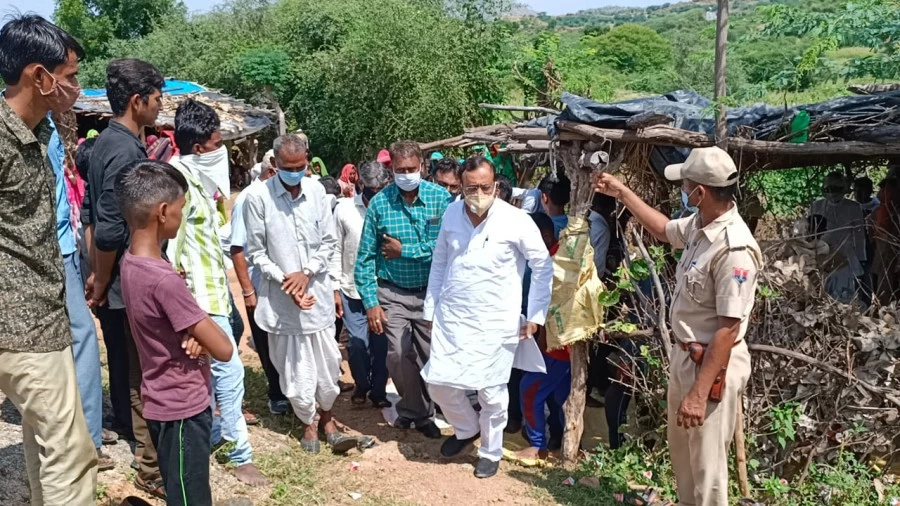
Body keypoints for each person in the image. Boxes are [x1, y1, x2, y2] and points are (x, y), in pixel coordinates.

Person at [596, 146, 759, 506]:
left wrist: (700, 394)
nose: (682, 189)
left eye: (686, 184)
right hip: (687, 356)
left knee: (708, 469)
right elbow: (664, 229)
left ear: (700, 192)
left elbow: (728, 330)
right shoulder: (701, 227)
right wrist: (622, 192)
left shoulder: (733, 249)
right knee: (685, 462)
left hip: (711, 367)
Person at [0, 14, 98, 504]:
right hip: (22, 326)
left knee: (49, 445)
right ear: (40, 77)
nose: (77, 88)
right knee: (69, 453)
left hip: (41, 315)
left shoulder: (36, 134)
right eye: (71, 75)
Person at [423, 156, 552, 479]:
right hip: (452, 316)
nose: (478, 193)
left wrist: (536, 314)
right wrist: (431, 306)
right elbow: (440, 261)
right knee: (438, 382)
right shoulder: (452, 213)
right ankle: (466, 428)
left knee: (491, 392)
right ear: (461, 186)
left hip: (497, 320)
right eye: (471, 188)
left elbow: (542, 266)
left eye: (485, 187)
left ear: (495, 185)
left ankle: (490, 451)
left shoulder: (517, 220)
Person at [118, 160, 235, 506]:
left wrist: (196, 332)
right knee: (190, 497)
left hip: (160, 399)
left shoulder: (131, 263)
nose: (182, 217)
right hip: (183, 407)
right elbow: (225, 348)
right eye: (182, 209)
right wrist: (203, 332)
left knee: (180, 488)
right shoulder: (165, 280)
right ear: (163, 212)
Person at [167, 98, 267, 487]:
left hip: (215, 291)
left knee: (216, 369)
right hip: (199, 297)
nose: (221, 150)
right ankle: (239, 452)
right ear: (197, 149)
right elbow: (172, 247)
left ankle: (212, 436)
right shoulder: (178, 183)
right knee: (229, 370)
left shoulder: (198, 180)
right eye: (215, 143)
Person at [245, 134, 358, 454]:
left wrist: (305, 274)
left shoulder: (319, 192)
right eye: (287, 167)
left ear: (307, 160)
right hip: (281, 301)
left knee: (326, 363)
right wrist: (286, 281)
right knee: (293, 367)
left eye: (300, 166)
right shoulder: (258, 198)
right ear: (275, 165)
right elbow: (257, 252)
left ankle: (328, 418)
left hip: (316, 296)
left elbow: (328, 243)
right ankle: (307, 424)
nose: (294, 172)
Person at [86, 57, 166, 498]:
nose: (160, 106)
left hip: (112, 277)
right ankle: (150, 466)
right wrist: (101, 277)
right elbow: (113, 225)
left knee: (125, 363)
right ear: (138, 101)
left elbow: (90, 217)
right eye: (156, 99)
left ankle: (138, 443)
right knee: (142, 374)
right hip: (125, 279)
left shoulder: (104, 144)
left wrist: (94, 272)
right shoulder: (124, 151)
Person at [355, 141, 450, 439]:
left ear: (422, 166)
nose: (407, 174)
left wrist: (405, 250)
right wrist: (371, 302)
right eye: (400, 170)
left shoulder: (441, 200)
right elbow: (365, 258)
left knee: (429, 354)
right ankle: (417, 413)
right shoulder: (380, 204)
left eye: (412, 169)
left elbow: (445, 249)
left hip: (431, 293)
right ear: (391, 170)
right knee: (397, 353)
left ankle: (426, 407)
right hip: (392, 292)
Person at [47, 115, 115, 472]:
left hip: (63, 246)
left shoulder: (47, 122)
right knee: (82, 337)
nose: (71, 86)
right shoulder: (21, 124)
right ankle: (87, 439)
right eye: (67, 75)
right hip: (48, 250)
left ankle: (84, 431)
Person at [230, 151, 290, 415]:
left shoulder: (277, 196)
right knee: (265, 338)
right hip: (260, 281)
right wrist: (247, 291)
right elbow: (238, 248)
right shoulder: (249, 198)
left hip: (283, 280)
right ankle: (276, 394)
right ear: (272, 171)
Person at [331, 161, 393, 408]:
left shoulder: (391, 208)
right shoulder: (344, 210)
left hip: (383, 290)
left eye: (381, 189)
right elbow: (335, 248)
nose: (376, 195)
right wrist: (335, 288)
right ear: (361, 186)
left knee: (382, 345)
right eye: (372, 190)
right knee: (357, 344)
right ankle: (361, 383)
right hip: (351, 289)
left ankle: (378, 391)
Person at [515, 212, 569, 462]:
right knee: (560, 395)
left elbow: (554, 305)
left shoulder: (555, 262)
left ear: (544, 236)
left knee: (530, 389)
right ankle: (560, 440)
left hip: (558, 344)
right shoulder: (561, 256)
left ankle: (538, 445)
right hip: (560, 343)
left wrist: (544, 337)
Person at [810, 172, 867, 303]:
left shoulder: (853, 207)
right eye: (828, 189)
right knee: (823, 293)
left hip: (845, 257)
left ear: (843, 189)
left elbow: (859, 235)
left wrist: (861, 257)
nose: (832, 192)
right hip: (822, 256)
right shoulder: (817, 206)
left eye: (836, 188)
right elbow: (811, 231)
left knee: (844, 295)